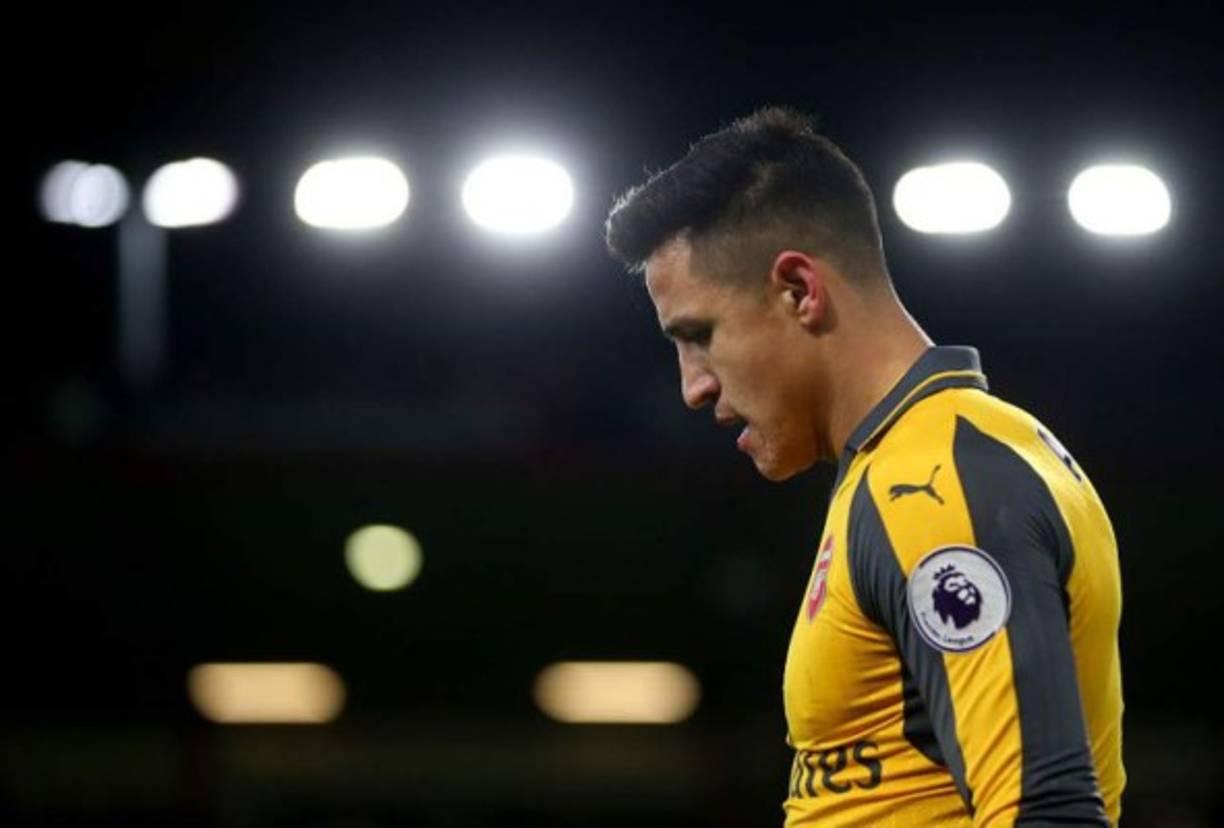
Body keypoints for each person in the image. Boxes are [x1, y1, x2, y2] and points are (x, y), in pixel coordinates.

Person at [603, 107, 1124, 826]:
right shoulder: (922, 463)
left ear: (799, 291)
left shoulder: (935, 485)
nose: (693, 385)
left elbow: (1048, 812)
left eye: (699, 335)